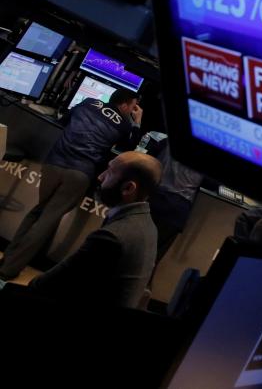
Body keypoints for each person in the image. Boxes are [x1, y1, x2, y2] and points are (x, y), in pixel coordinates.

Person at [0, 88, 143, 281]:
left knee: (38, 210)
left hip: (52, 164)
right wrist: (137, 123)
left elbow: (63, 121)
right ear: (125, 104)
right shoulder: (124, 125)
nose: (133, 109)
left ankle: (8, 256)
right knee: (48, 220)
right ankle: (10, 269)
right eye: (133, 106)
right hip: (79, 173)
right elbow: (129, 150)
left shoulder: (87, 103)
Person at [28, 151, 161, 308]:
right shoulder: (148, 225)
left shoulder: (111, 237)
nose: (100, 177)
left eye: (109, 172)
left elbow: (47, 284)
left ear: (128, 188)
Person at [148, 143, 203, 262]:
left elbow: (149, 156)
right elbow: (212, 184)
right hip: (177, 208)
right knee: (153, 257)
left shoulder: (169, 141)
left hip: (155, 198)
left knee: (135, 247)